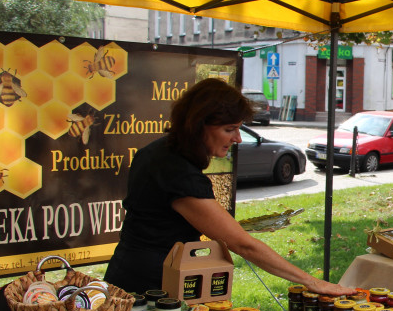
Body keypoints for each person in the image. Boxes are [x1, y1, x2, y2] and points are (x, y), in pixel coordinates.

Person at [104, 78, 355, 298]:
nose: (237, 139)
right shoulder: (177, 172)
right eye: (229, 129)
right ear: (198, 125)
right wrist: (313, 282)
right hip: (147, 289)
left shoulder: (157, 151)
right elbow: (241, 244)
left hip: (132, 275)